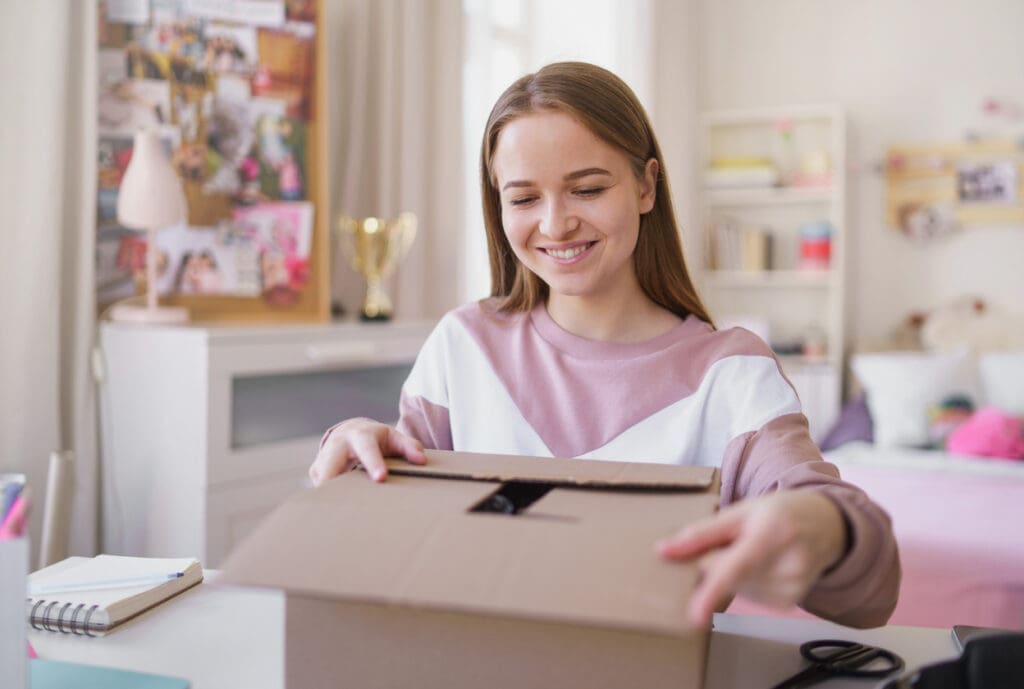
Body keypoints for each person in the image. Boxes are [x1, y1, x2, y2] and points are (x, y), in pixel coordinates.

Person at [308, 62, 899, 629]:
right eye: (523, 199)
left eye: (587, 189)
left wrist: (822, 528)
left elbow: (871, 589)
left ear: (646, 185)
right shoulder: (463, 344)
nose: (556, 224)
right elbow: (396, 515)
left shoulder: (731, 372)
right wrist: (356, 446)